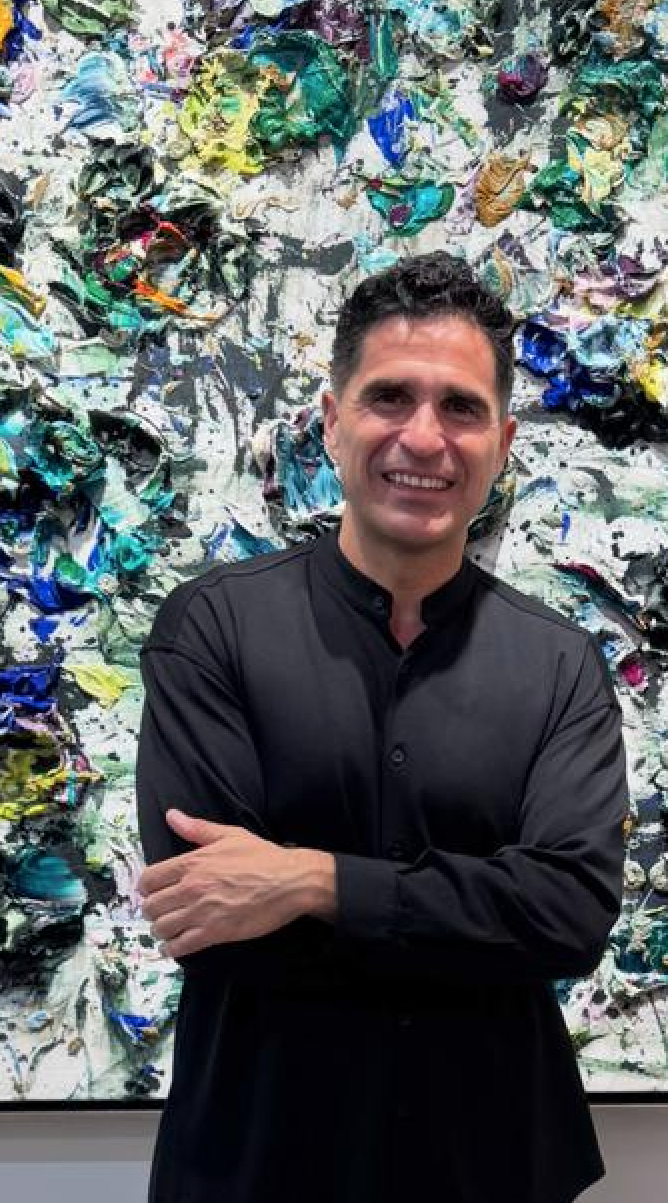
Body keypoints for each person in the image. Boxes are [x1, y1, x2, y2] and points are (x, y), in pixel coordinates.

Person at [135, 252, 629, 1202]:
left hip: (490, 1170)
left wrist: (309, 881)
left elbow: (568, 916)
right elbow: (213, 922)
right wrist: (478, 916)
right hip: (259, 1166)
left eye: (461, 408)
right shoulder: (213, 629)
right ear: (332, 421)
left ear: (502, 442)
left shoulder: (560, 664)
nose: (424, 437)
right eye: (390, 397)